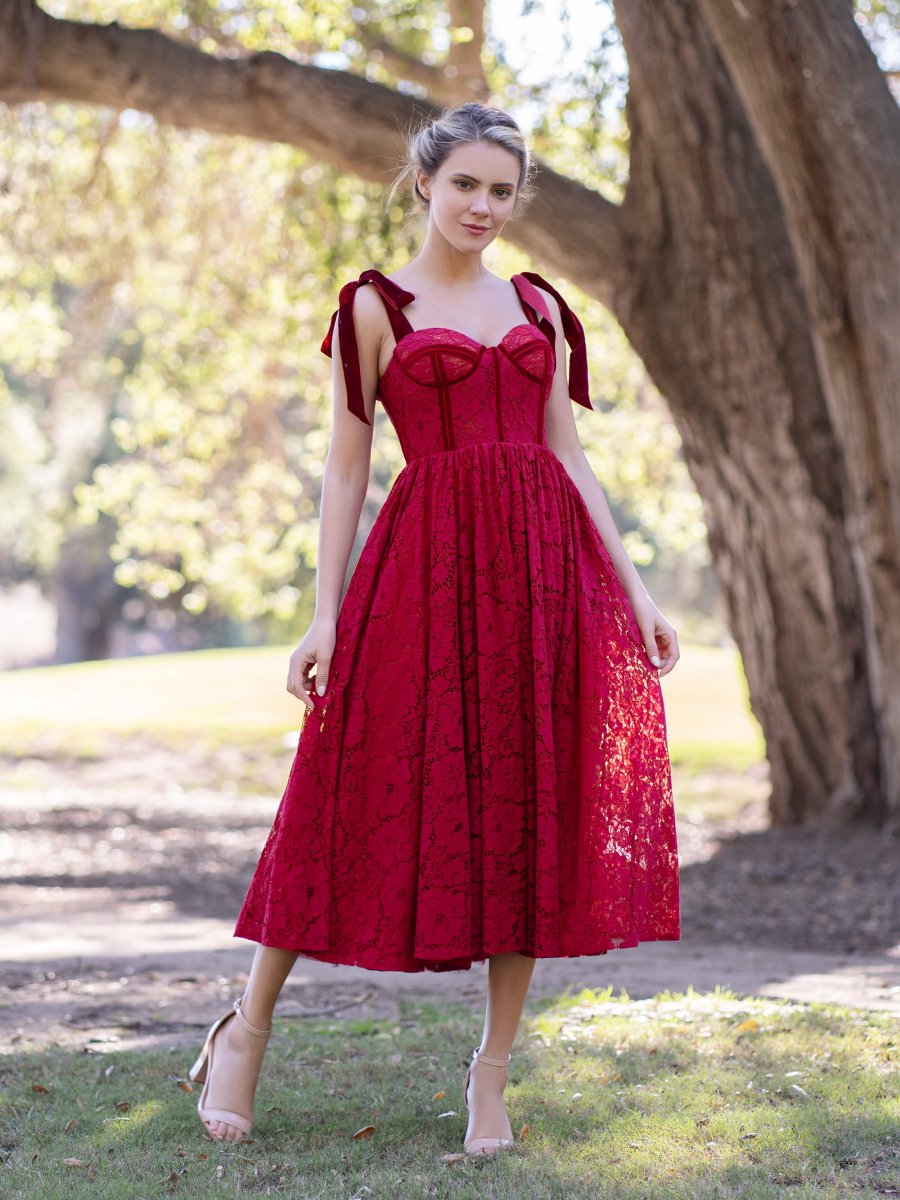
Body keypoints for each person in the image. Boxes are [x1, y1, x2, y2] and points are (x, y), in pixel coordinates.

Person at [189, 101, 681, 1156]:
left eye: (502, 190)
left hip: (543, 576)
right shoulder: (374, 308)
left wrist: (635, 591)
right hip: (420, 573)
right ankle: (246, 1029)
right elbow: (346, 469)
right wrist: (323, 615)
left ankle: (491, 1073)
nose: (483, 207)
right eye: (465, 185)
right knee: (340, 790)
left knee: (527, 810)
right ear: (424, 183)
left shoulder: (538, 304)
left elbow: (569, 455)